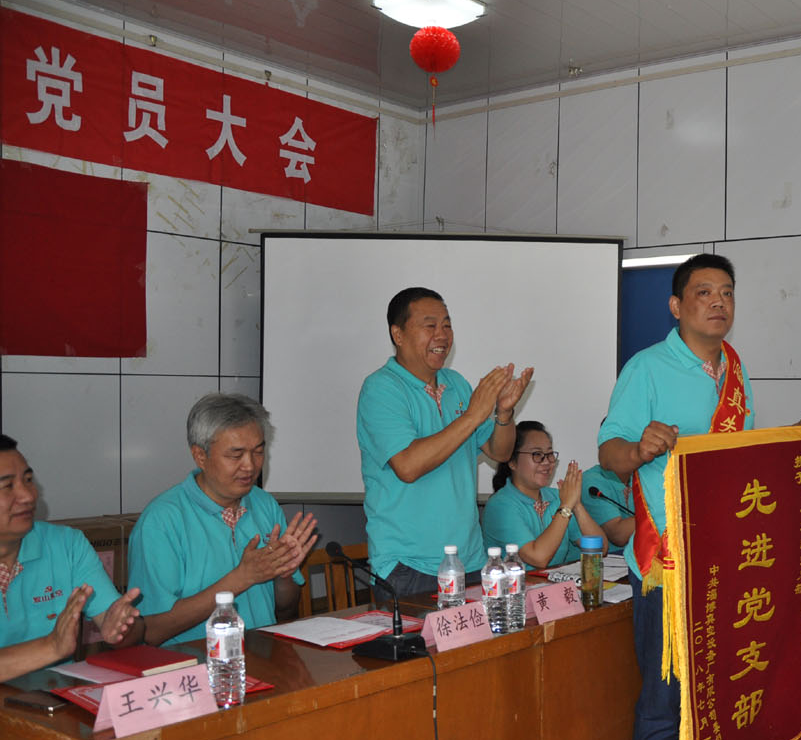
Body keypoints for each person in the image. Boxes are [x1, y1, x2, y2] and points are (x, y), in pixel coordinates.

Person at [599, 254, 801, 740]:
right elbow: (608, 452)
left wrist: (797, 433)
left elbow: (741, 461)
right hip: (670, 565)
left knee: (718, 694)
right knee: (665, 700)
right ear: (677, 306)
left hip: (725, 560)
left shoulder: (734, 367)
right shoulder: (646, 368)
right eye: (704, 292)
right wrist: (639, 449)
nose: (718, 302)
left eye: (726, 292)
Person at [356, 287, 533, 600]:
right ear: (398, 334)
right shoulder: (381, 388)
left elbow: (500, 451)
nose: (442, 335)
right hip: (409, 566)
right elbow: (408, 465)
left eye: (447, 325)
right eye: (430, 326)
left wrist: (504, 414)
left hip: (470, 560)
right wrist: (473, 415)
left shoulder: (456, 384)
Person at [129, 394, 317, 646]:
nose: (250, 466)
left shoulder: (264, 504)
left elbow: (285, 611)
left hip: (264, 656)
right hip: (193, 665)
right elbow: (150, 631)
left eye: (258, 452)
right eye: (236, 455)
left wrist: (284, 573)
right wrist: (242, 577)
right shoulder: (161, 522)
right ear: (200, 456)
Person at [0, 434, 144, 681]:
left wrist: (122, 628)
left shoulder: (66, 545)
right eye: (7, 486)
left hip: (50, 699)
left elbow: (124, 627)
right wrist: (51, 646)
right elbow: (55, 646)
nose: (28, 496)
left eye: (28, 480)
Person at [481, 421, 606, 568]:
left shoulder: (557, 497)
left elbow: (601, 549)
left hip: (554, 581)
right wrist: (566, 507)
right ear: (512, 462)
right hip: (516, 582)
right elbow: (538, 557)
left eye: (550, 454)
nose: (547, 462)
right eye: (537, 454)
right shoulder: (500, 505)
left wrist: (576, 504)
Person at [580, 463, 633, 554]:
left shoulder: (644, 473)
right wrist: (654, 513)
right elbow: (618, 535)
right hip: (612, 556)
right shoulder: (592, 480)